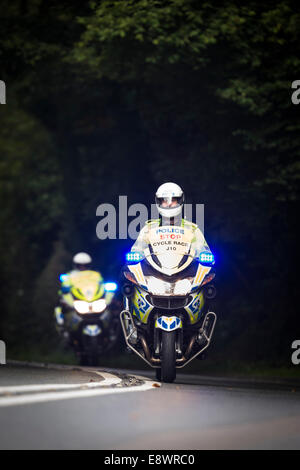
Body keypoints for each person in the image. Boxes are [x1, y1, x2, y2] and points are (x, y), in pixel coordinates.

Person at [131, 182, 211, 256]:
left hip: (185, 269)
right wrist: (137, 253)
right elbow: (138, 249)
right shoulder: (149, 228)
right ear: (159, 202)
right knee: (127, 269)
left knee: (210, 271)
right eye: (165, 200)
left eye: (173, 200)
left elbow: (202, 250)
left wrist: (203, 254)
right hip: (154, 269)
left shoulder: (192, 229)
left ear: (180, 200)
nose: (169, 204)